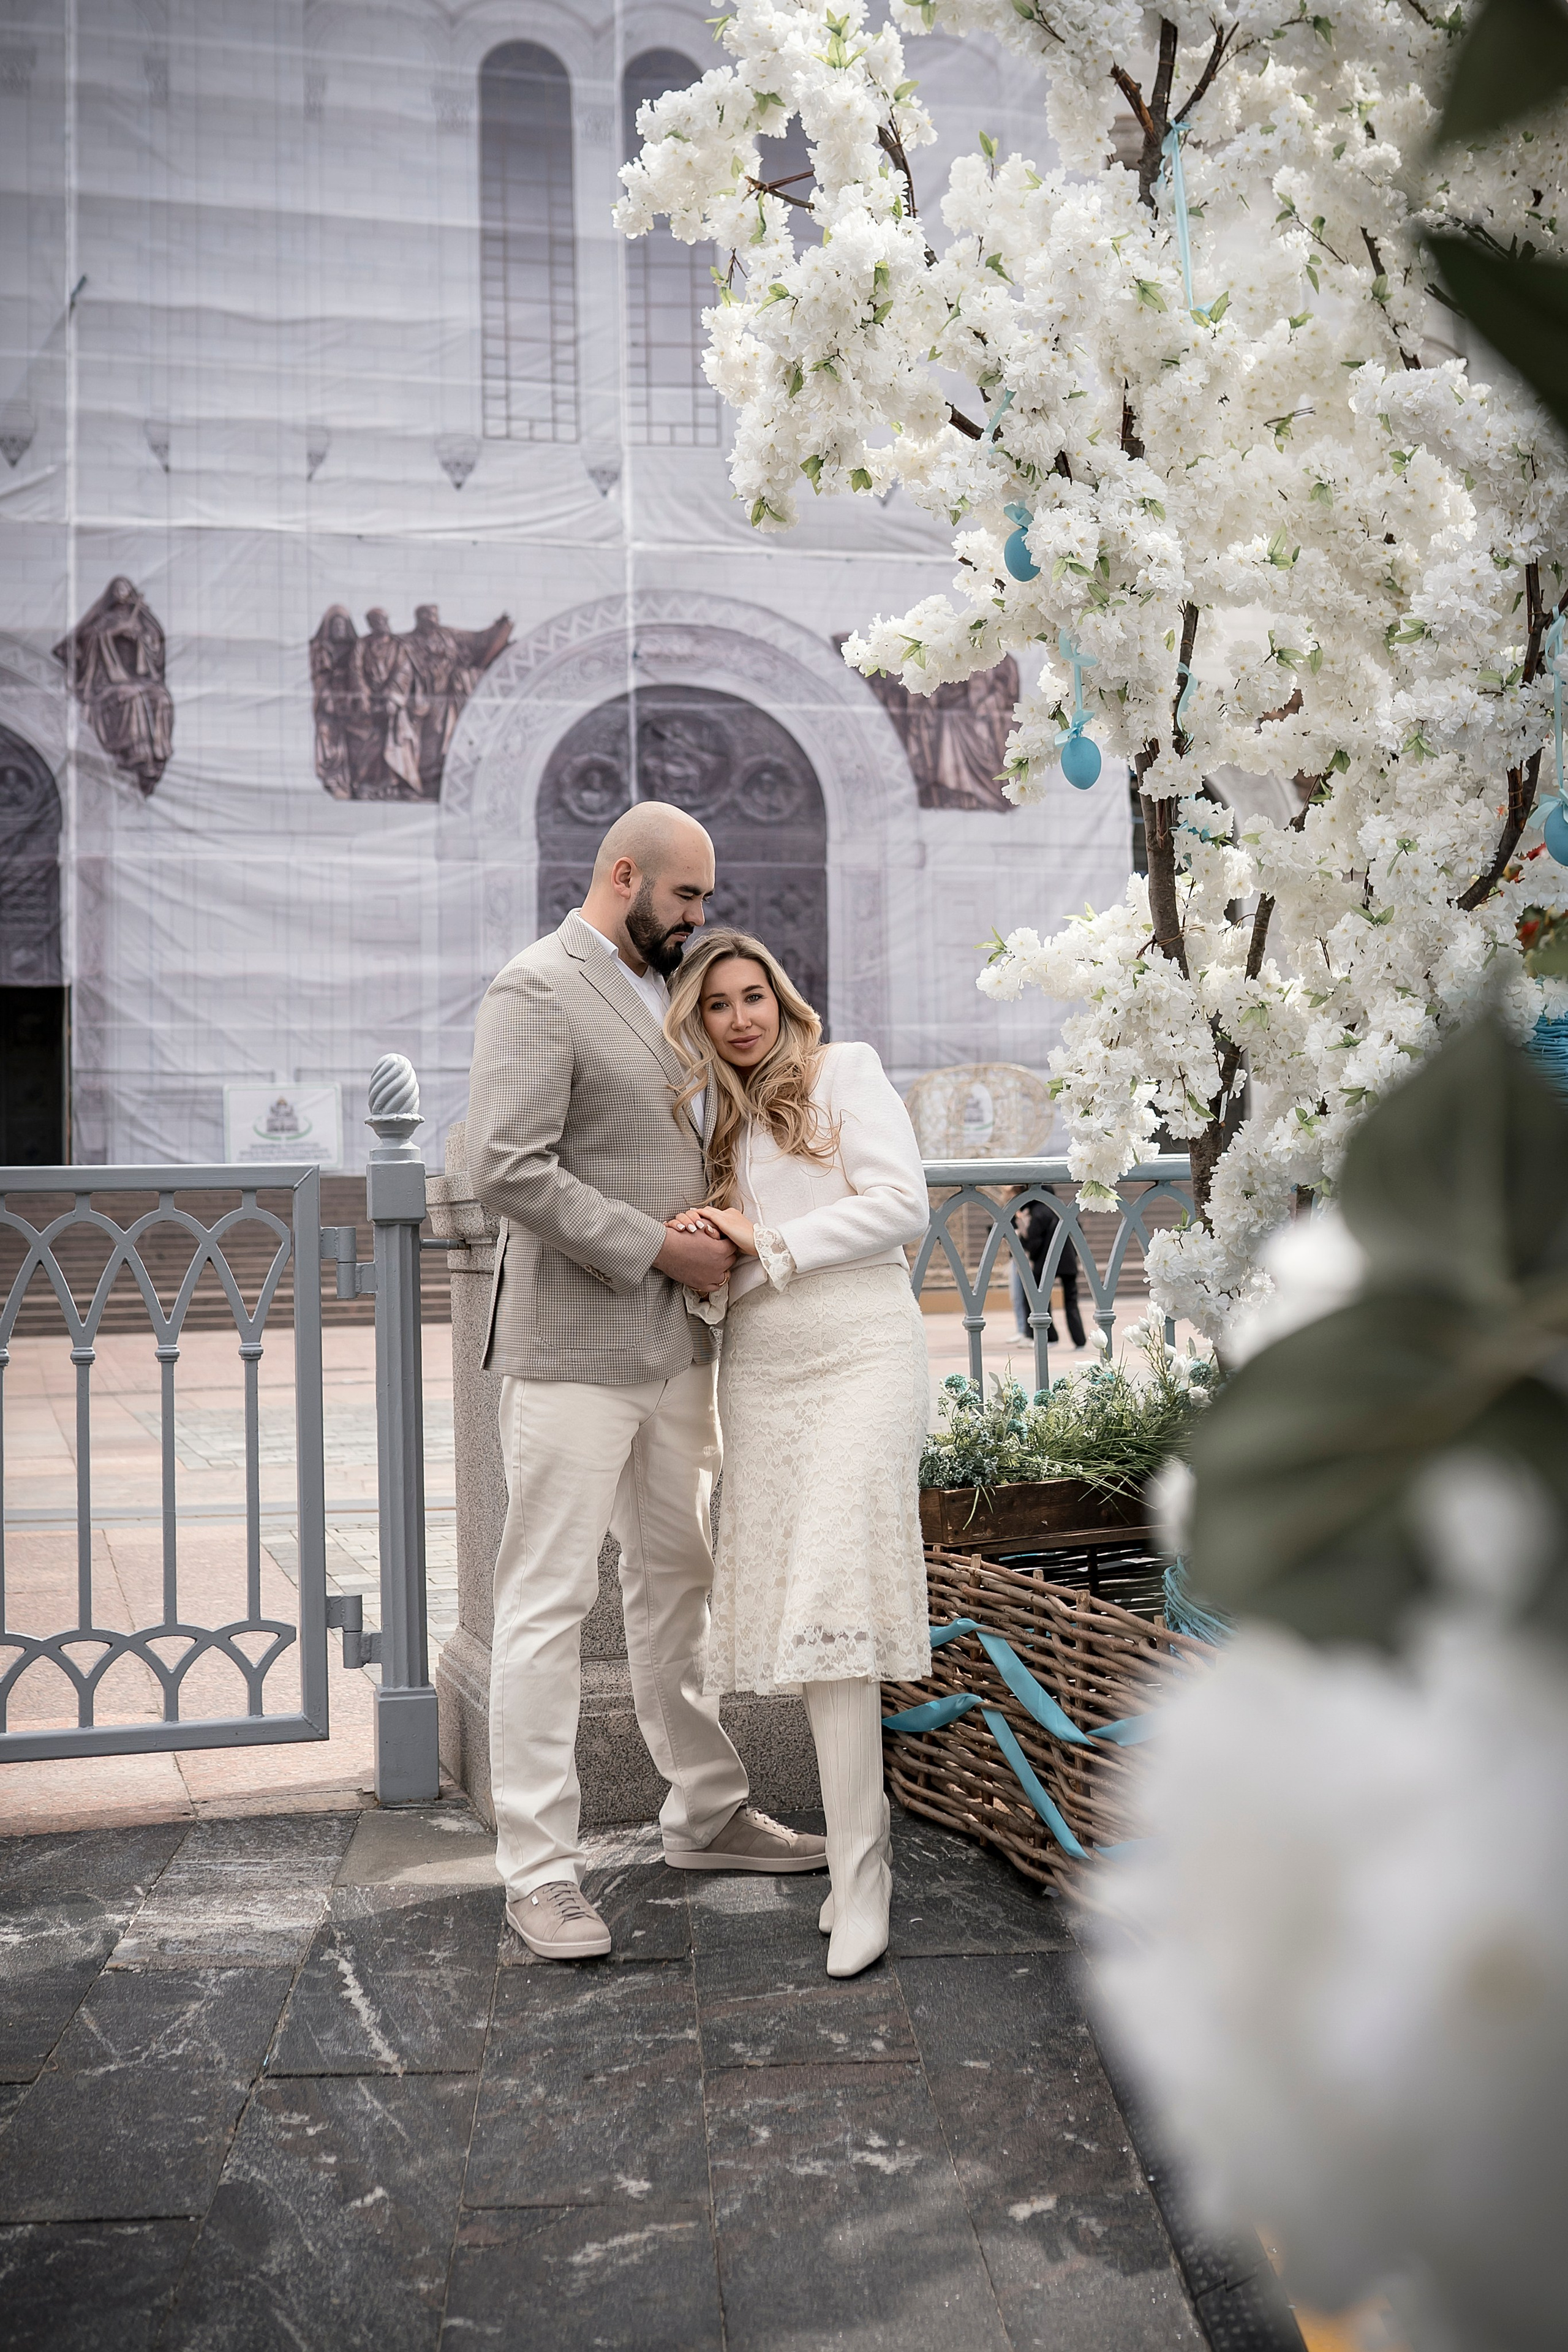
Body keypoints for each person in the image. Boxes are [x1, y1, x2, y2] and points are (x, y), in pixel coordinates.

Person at [466, 807, 827, 1961]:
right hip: (573, 1350)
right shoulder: (536, 988)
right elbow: (503, 1169)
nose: (701, 918)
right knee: (547, 1606)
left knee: (678, 1587)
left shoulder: (668, 995)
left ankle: (706, 1811)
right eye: (687, 897)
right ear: (624, 876)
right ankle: (539, 1872)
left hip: (678, 1353)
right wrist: (655, 1245)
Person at [663, 930, 932, 1978]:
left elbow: (902, 1207)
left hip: (862, 1356)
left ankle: (865, 1876)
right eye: (717, 1006)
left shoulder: (844, 1071)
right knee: (813, 1615)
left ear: (782, 995)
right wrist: (708, 1252)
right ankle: (851, 1868)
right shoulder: (711, 1125)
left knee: (841, 1595)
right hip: (765, 1375)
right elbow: (725, 1274)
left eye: (753, 994)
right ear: (698, 1023)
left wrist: (766, 1241)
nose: (741, 1017)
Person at [1009, 1189, 1088, 1350]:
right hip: (1068, 1262)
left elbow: (1033, 1242)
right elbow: (1078, 1235)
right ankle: (1079, 1340)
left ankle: (1050, 1337)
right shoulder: (1063, 1208)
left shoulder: (1038, 1212)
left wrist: (1023, 1236)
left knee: (1041, 1301)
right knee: (1071, 1302)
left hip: (1045, 1264)